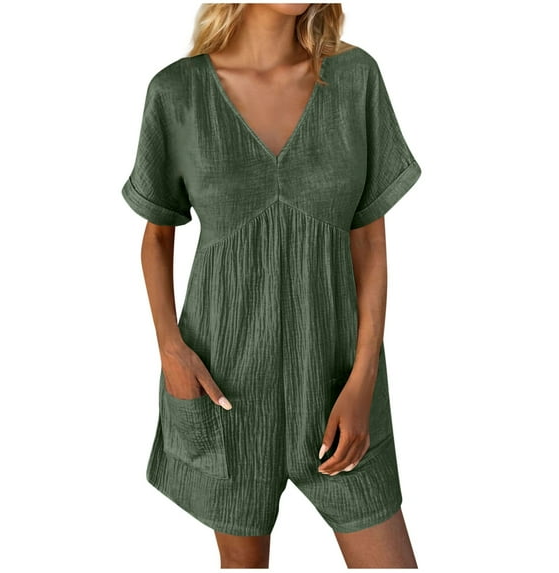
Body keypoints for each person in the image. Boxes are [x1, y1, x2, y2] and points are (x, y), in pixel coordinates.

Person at [121, 3, 421, 568]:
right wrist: (171, 351)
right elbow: (157, 236)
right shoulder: (177, 93)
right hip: (223, 382)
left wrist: (363, 378)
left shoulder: (355, 78)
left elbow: (369, 242)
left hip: (338, 382)